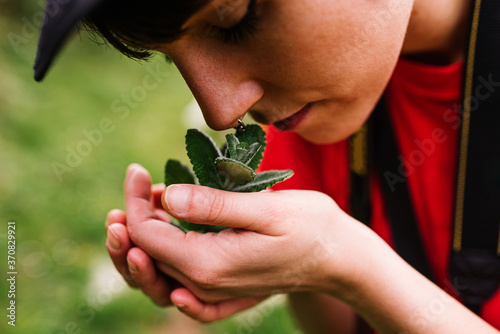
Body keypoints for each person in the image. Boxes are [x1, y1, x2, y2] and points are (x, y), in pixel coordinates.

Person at [35, 0, 500, 332]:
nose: (221, 111)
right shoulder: (312, 119)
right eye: (173, 59)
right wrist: (302, 271)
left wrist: (350, 265)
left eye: (234, 21)